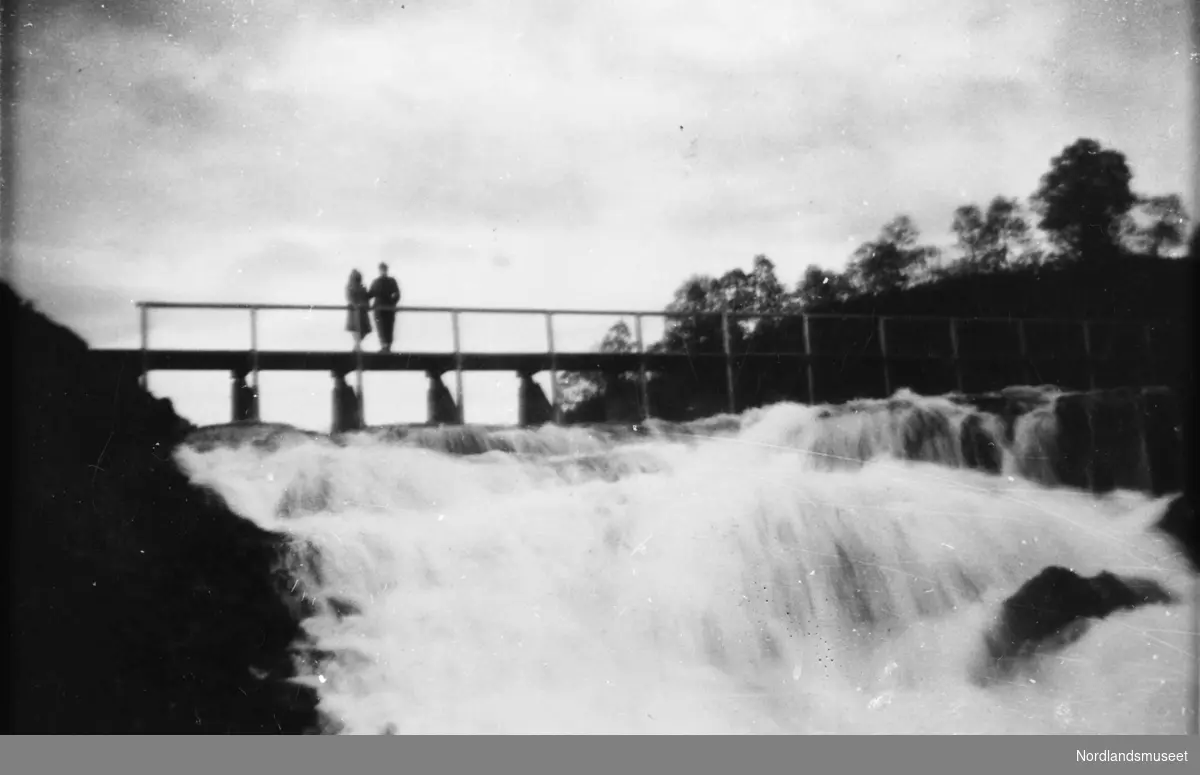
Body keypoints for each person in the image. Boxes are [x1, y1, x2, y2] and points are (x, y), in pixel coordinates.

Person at [368, 262, 402, 353]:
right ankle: (385, 346)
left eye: (384, 269)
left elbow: (397, 294)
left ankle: (387, 347)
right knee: (382, 328)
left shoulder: (390, 281)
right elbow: (370, 294)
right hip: (380, 309)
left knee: (388, 327)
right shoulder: (377, 282)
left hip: (386, 308)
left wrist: (393, 302)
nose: (383, 271)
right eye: (382, 269)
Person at [345, 269, 372, 350]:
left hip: (361, 312)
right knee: (357, 331)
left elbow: (366, 298)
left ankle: (357, 348)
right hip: (355, 313)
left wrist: (365, 305)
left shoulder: (362, 287)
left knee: (362, 331)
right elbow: (350, 298)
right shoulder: (350, 287)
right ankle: (357, 348)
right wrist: (359, 304)